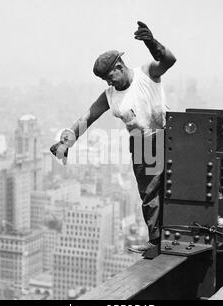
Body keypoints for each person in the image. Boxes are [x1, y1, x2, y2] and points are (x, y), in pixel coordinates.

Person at [50, 21, 176, 253]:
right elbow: (87, 117)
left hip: (166, 136)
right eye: (105, 80)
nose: (109, 82)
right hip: (141, 141)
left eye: (110, 76)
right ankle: (157, 240)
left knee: (176, 188)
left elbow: (169, 61)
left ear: (120, 65)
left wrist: (151, 42)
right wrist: (65, 142)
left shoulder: (146, 73)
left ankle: (181, 232)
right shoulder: (110, 95)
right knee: (149, 195)